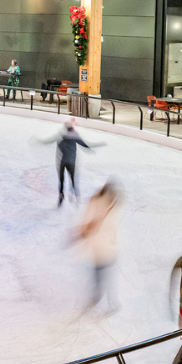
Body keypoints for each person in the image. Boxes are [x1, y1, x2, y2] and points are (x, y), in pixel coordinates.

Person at [72, 182, 122, 312]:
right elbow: (93, 225)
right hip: (104, 251)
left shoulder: (100, 203)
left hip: (104, 251)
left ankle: (104, 301)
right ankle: (109, 302)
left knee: (101, 277)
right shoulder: (106, 205)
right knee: (103, 277)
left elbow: (89, 224)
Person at [46, 120, 93, 207]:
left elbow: (52, 142)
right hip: (71, 162)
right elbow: (84, 144)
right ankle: (74, 195)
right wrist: (90, 148)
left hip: (62, 162)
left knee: (62, 180)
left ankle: (61, 195)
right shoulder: (75, 137)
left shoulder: (61, 137)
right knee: (72, 179)